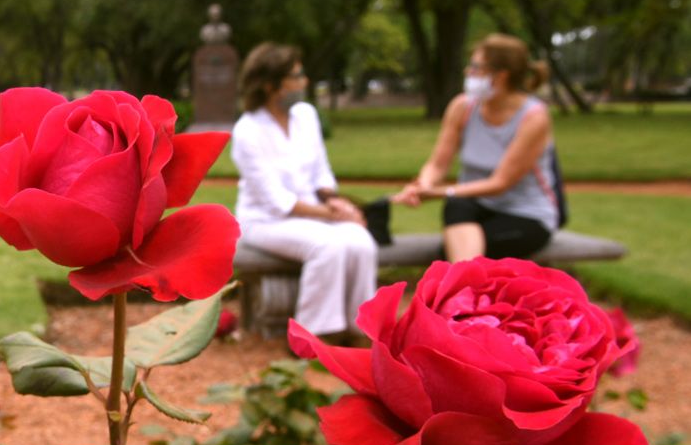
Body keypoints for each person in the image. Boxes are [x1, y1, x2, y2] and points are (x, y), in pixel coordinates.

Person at [231, 43, 376, 339]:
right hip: (264, 221)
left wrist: (336, 203)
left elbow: (321, 171)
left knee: (361, 240)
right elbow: (276, 201)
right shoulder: (248, 131)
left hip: (313, 213)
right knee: (328, 246)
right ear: (272, 86)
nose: (304, 82)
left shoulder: (306, 115)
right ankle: (313, 335)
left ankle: (360, 328)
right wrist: (334, 214)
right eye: (296, 77)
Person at [393, 33, 558, 261]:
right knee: (457, 208)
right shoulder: (462, 107)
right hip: (474, 208)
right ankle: (465, 285)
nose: (467, 73)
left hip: (526, 215)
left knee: (452, 252)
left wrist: (439, 192)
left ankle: (463, 286)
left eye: (475, 67)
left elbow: (499, 183)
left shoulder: (534, 117)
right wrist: (423, 184)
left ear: (500, 76)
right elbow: (438, 163)